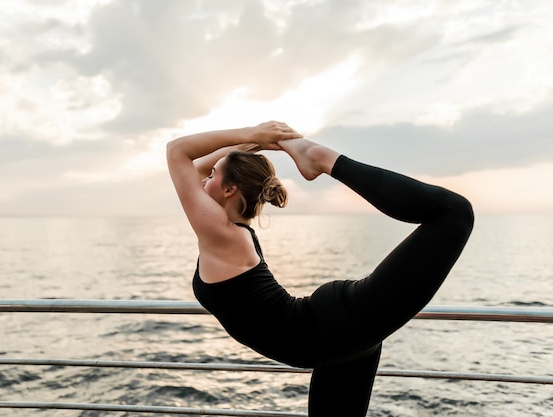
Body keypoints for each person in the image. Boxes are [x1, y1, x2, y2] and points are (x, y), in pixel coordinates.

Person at [166, 121, 474, 416]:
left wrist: (253, 133)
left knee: (454, 213)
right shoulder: (228, 233)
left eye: (213, 175)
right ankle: (313, 157)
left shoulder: (222, 234)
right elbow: (195, 168)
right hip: (335, 339)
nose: (203, 177)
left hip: (333, 330)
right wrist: (255, 142)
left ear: (231, 189)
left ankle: (321, 158)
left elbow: (178, 151)